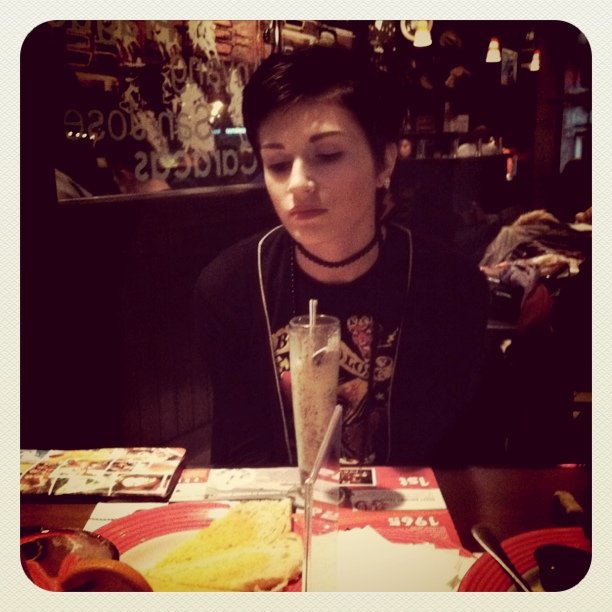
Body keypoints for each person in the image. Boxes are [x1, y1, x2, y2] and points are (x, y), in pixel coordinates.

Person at [194, 45, 489, 468]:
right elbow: (239, 455)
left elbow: (454, 453)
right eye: (277, 163)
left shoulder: (450, 287)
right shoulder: (230, 289)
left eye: (328, 154)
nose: (297, 183)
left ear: (384, 160)